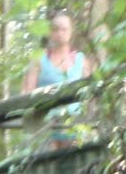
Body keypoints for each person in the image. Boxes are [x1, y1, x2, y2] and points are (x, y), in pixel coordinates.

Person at [20, 11, 88, 143]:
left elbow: (90, 95)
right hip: (45, 126)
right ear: (50, 32)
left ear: (71, 32)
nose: (60, 33)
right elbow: (26, 92)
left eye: (64, 29)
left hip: (74, 126)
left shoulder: (81, 60)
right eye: (56, 29)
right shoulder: (39, 59)